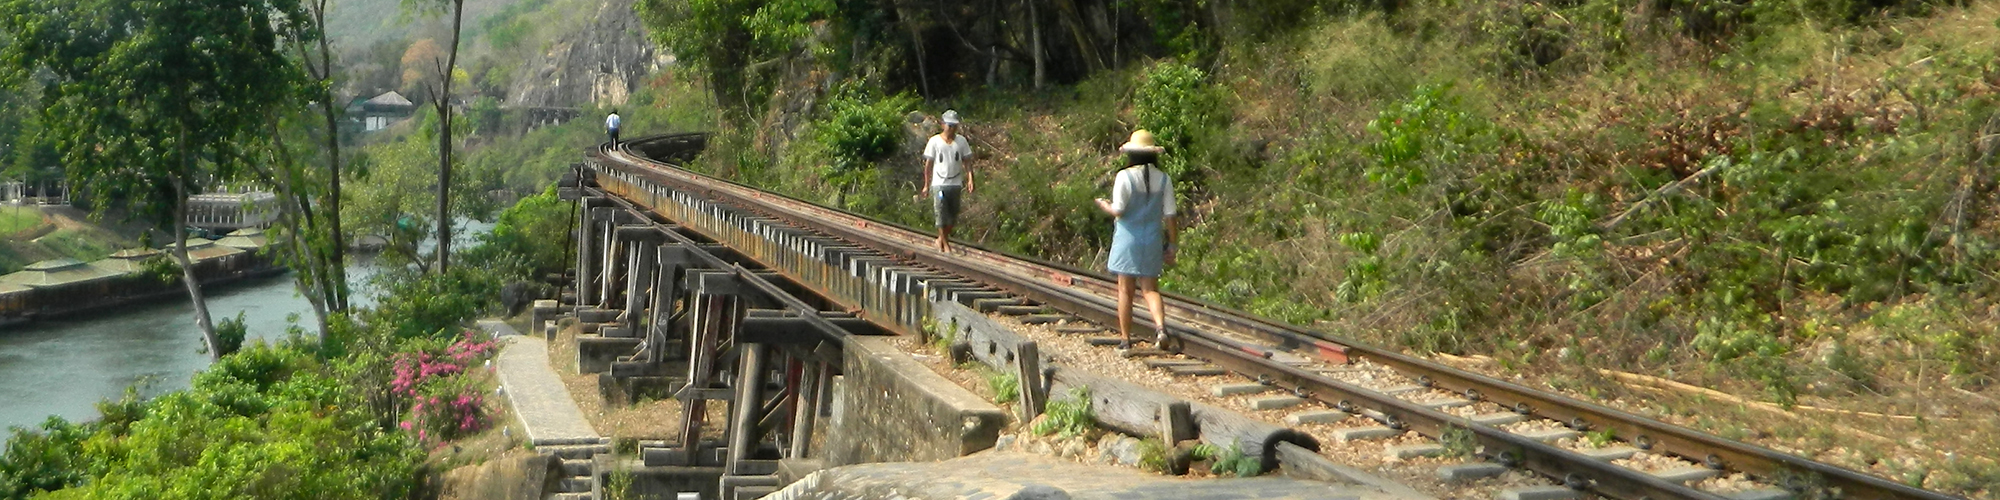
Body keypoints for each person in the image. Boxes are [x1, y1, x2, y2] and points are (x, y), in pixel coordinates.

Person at [1094, 130, 1177, 350]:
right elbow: (1170, 215)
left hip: (1127, 238)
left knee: (1125, 290)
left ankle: (1125, 339)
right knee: (1150, 289)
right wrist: (1172, 245)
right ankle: (1160, 328)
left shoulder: (1124, 176)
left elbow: (1119, 210)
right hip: (1152, 239)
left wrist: (1104, 205)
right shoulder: (1164, 179)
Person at [920, 110, 973, 253]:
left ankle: (940, 239)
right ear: (942, 124)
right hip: (939, 184)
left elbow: (967, 161)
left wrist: (970, 179)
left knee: (953, 215)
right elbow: (928, 165)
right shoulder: (934, 141)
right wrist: (926, 185)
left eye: (954, 125)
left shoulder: (961, 141)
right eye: (949, 125)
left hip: (955, 183)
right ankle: (945, 244)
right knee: (941, 213)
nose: (951, 128)